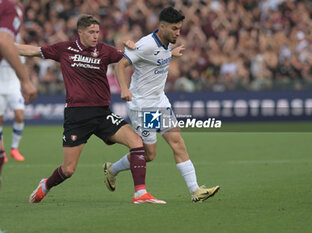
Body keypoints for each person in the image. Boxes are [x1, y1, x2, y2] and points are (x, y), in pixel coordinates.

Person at [17, 14, 165, 204]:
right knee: (68, 170)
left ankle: (140, 193)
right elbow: (33, 51)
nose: (96, 36)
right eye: (91, 32)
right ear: (80, 33)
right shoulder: (64, 49)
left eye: (97, 32)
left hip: (102, 113)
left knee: (137, 142)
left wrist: (143, 48)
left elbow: (130, 59)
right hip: (77, 115)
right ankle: (45, 185)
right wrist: (7, 48)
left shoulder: (104, 50)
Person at [103, 7, 220, 203]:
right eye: (174, 29)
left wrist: (171, 54)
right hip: (143, 106)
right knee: (149, 155)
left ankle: (195, 191)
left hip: (160, 102)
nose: (178, 32)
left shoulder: (166, 44)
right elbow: (120, 65)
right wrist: (124, 89)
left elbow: (157, 58)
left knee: (177, 142)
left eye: (179, 28)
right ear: (162, 26)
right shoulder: (145, 45)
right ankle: (112, 169)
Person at [0, 0, 37, 189]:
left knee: (19, 115)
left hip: (12, 85)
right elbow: (4, 40)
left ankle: (14, 148)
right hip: (2, 84)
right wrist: (26, 81)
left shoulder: (17, 46)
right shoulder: (10, 7)